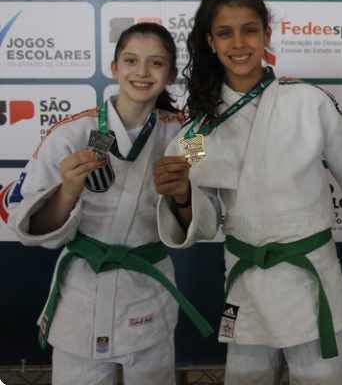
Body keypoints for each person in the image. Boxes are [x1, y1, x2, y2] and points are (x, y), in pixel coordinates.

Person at [153, 0, 342, 385]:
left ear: (267, 34)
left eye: (249, 30)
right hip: (247, 283)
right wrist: (181, 193)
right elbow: (202, 211)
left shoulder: (308, 102)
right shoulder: (201, 129)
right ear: (210, 42)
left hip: (309, 278)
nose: (238, 43)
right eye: (225, 33)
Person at [8, 22, 211, 385]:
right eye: (131, 60)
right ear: (114, 67)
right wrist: (67, 191)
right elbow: (28, 225)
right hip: (83, 291)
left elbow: (203, 213)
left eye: (156, 63)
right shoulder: (70, 134)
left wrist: (182, 193)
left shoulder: (189, 137)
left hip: (146, 292)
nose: (142, 72)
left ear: (170, 75)